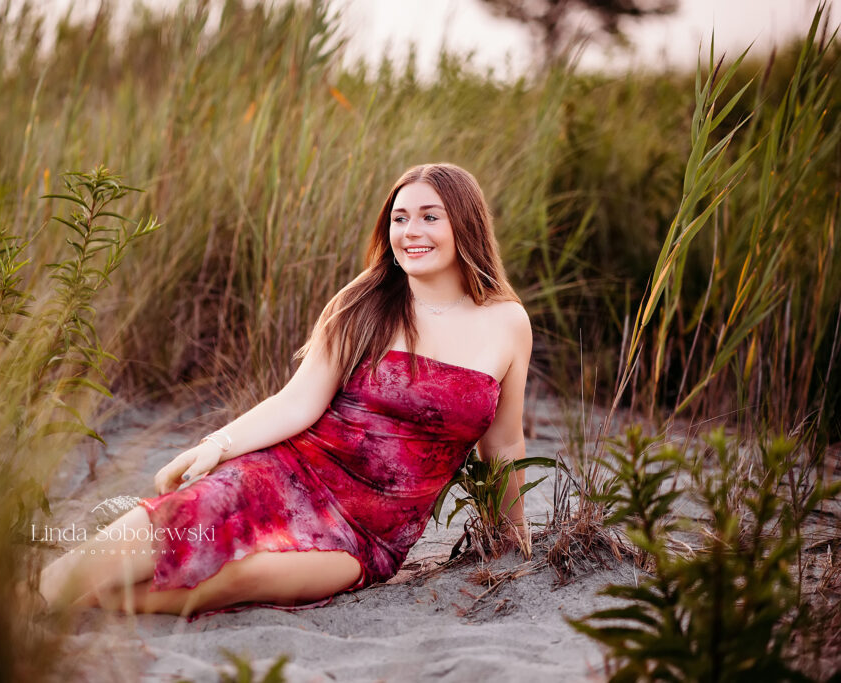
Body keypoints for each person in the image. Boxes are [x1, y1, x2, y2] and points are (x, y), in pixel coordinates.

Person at [34, 162, 532, 618]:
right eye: (399, 219)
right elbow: (297, 400)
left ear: (465, 224)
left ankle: (94, 603)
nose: (411, 232)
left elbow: (504, 445)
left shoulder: (507, 323)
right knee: (196, 511)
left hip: (370, 536)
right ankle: (47, 591)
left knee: (248, 576)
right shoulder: (363, 305)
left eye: (429, 217)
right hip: (293, 471)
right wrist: (215, 446)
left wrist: (514, 537)